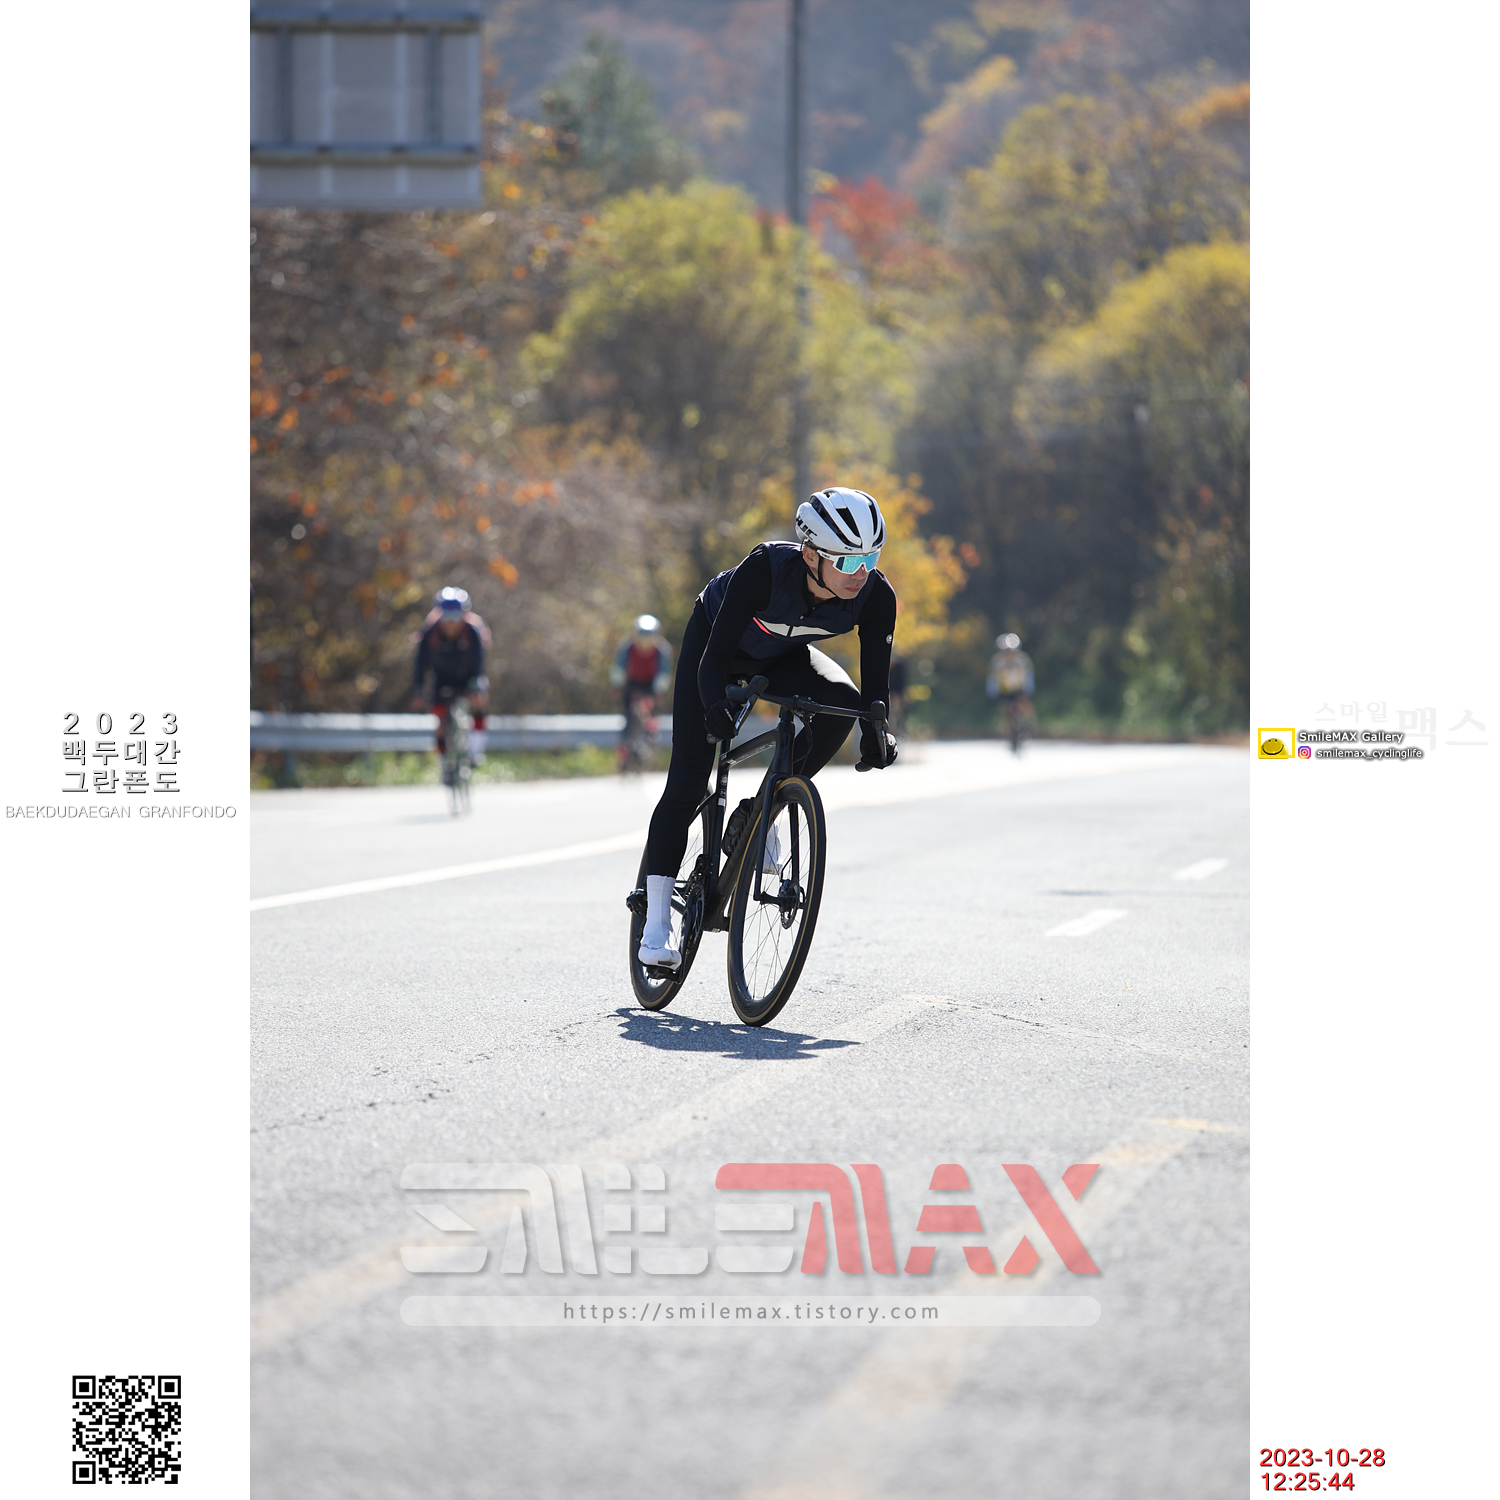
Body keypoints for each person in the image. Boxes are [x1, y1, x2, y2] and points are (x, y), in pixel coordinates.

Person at [637, 487, 900, 969]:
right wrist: (715, 704)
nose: (860, 573)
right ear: (810, 555)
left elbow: (874, 694)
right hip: (715, 651)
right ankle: (655, 925)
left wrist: (875, 733)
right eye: (847, 562)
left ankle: (762, 808)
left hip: (781, 657)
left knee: (843, 705)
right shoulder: (765, 570)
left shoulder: (875, 596)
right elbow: (713, 659)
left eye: (870, 558)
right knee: (690, 777)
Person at [410, 587, 491, 781]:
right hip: (442, 678)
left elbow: (479, 662)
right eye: (446, 616)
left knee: (479, 700)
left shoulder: (472, 631)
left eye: (456, 616)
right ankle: (444, 763)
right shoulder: (430, 632)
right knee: (439, 719)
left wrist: (476, 684)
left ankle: (476, 751)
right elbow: (420, 664)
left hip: (468, 675)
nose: (451, 622)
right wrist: (419, 689)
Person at [609, 614, 674, 767]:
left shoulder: (662, 650)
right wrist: (617, 687)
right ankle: (625, 755)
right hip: (632, 683)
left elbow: (663, 674)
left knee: (648, 714)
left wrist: (658, 692)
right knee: (628, 718)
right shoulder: (627, 647)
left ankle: (650, 737)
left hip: (651, 685)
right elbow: (619, 668)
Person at [986, 632, 1035, 749]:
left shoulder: (1022, 660)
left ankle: (1029, 725)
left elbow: (1028, 676)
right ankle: (1009, 734)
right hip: (1006, 691)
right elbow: (993, 678)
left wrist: (1028, 690)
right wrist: (993, 691)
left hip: (1020, 689)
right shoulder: (998, 662)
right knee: (1006, 711)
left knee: (1024, 706)